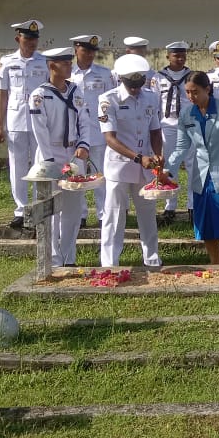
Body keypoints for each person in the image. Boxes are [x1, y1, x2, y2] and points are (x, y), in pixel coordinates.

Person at [162, 71, 219, 264]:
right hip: (201, 177)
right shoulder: (187, 114)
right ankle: (215, 262)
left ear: (207, 89)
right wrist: (168, 170)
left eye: (195, 92)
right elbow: (181, 146)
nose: (191, 97)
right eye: (187, 92)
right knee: (207, 223)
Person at [28, 47, 91, 267]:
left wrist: (84, 145)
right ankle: (53, 259)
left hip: (73, 153)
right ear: (52, 65)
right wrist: (50, 161)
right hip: (50, 153)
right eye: (64, 63)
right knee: (51, 209)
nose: (69, 66)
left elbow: (84, 120)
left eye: (69, 62)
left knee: (73, 209)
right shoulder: (39, 95)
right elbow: (40, 130)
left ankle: (69, 257)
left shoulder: (76, 91)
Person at [98, 53, 163, 268]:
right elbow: (110, 138)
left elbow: (155, 130)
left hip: (145, 166)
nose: (135, 88)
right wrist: (138, 157)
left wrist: (158, 154)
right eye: (130, 84)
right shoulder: (108, 100)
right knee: (114, 215)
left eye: (138, 83)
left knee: (147, 214)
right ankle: (109, 263)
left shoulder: (151, 97)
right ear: (121, 80)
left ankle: (152, 259)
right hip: (120, 165)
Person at [0, 19, 49, 229]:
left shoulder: (44, 61)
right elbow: (2, 95)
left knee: (39, 164)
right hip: (15, 120)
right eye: (28, 39)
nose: (32, 43)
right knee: (17, 166)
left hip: (39, 121)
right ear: (18, 38)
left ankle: (37, 207)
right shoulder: (7, 61)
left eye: (35, 39)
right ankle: (20, 210)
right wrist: (0, 125)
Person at [69, 34, 114, 227]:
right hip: (75, 133)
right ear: (76, 50)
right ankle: (80, 214)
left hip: (98, 131)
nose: (89, 54)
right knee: (76, 174)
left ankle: (104, 215)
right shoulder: (68, 74)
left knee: (100, 175)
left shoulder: (104, 74)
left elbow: (111, 103)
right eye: (85, 50)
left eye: (92, 51)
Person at [152, 41, 195, 225]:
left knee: (193, 166)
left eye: (183, 55)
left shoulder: (192, 76)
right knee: (170, 165)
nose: (180, 58)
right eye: (176, 55)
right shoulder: (158, 77)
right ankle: (170, 206)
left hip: (189, 125)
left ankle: (193, 205)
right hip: (167, 125)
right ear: (167, 56)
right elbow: (154, 103)